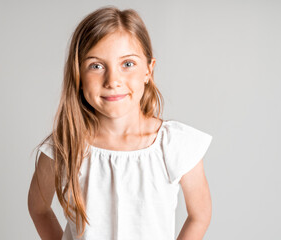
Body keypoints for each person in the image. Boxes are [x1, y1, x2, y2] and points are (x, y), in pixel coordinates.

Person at [28, 5, 213, 240]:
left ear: (148, 70)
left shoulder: (175, 145)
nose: (113, 80)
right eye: (96, 66)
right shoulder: (65, 146)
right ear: (78, 76)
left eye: (127, 64)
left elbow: (200, 214)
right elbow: (38, 208)